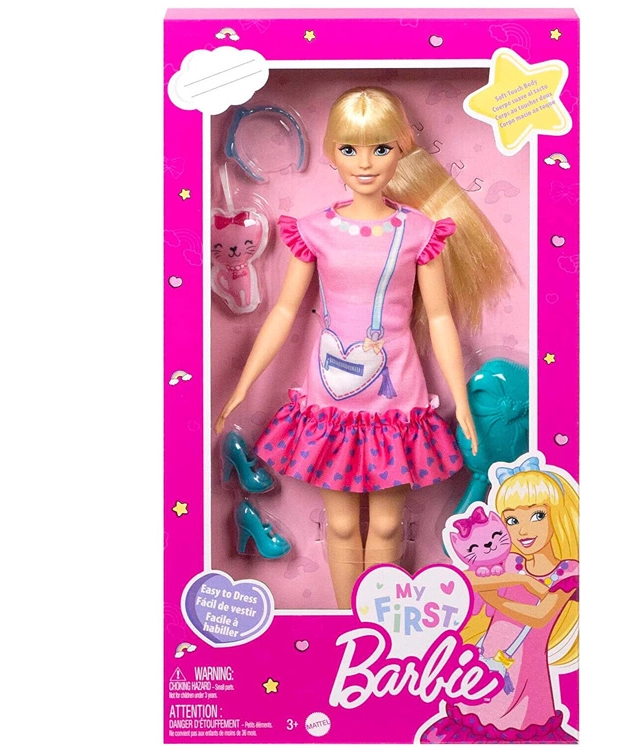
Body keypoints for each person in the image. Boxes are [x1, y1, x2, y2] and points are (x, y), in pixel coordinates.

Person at [215, 86, 510, 608]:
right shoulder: (315, 230)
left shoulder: (418, 232)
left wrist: (462, 402)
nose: (365, 163)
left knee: (390, 524)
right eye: (350, 149)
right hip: (330, 397)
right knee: (343, 526)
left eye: (380, 148)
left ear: (401, 150)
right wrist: (242, 385)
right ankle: (347, 623)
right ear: (333, 153)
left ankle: (381, 621)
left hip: (396, 396)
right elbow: (283, 311)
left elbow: (440, 316)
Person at [423, 462, 579, 742]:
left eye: (537, 515)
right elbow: (463, 580)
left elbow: (539, 616)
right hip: (483, 672)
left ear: (557, 514)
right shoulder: (511, 562)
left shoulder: (567, 571)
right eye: (512, 520)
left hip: (526, 681)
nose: (524, 530)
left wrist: (495, 597)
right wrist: (520, 581)